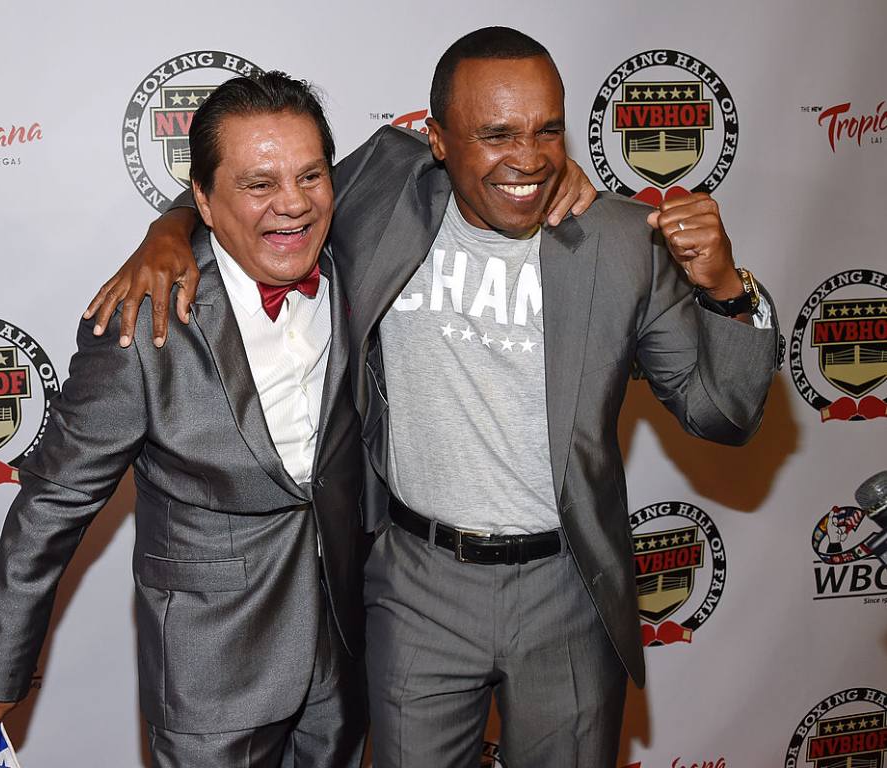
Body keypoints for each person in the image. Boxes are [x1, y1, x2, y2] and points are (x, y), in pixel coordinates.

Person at [86, 28, 782, 768]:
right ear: (437, 139)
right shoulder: (383, 187)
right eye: (497, 133)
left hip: (567, 588)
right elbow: (254, 187)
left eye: (547, 130)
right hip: (414, 584)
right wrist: (166, 230)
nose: (530, 156)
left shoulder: (618, 240)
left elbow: (725, 415)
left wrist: (726, 291)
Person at [0, 72, 368, 768]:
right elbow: (55, 499)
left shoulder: (361, 259)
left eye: (310, 176)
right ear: (202, 200)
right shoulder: (140, 323)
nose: (293, 205)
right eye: (259, 185)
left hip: (346, 652)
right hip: (212, 669)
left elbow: (478, 155)